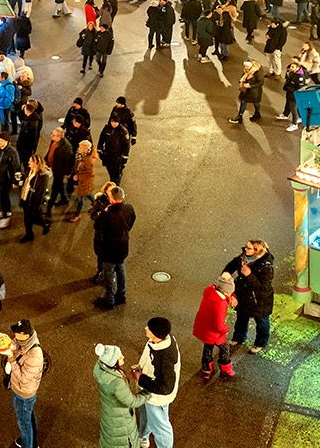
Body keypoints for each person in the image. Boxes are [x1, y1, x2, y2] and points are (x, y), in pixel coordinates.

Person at [135, 315, 180, 447]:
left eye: (148, 328)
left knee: (161, 427)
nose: (145, 328)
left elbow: (166, 387)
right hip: (149, 392)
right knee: (147, 416)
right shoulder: (160, 340)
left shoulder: (165, 358)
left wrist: (141, 378)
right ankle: (143, 437)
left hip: (156, 398)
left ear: (156, 334)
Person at [225, 239, 276, 354]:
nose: (245, 249)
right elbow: (231, 265)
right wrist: (226, 276)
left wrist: (249, 275)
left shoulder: (266, 267)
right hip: (243, 295)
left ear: (257, 251)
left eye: (248, 248)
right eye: (246, 247)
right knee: (241, 319)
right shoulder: (244, 257)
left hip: (259, 301)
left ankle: (260, 343)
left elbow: (263, 288)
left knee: (262, 323)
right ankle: (238, 338)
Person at [93, 343, 147, 448]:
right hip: (121, 421)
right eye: (120, 357)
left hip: (110, 416)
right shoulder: (117, 383)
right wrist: (148, 392)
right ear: (114, 363)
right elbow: (133, 402)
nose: (123, 357)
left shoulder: (101, 367)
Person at [2, 319, 46, 448]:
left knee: (23, 422)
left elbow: (23, 378)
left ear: (25, 335)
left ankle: (28, 444)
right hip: (24, 391)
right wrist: (5, 342)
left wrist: (11, 359)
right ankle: (32, 442)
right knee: (28, 417)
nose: (14, 337)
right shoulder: (28, 339)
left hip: (23, 393)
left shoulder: (35, 356)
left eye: (17, 334)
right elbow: (15, 343)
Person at [92, 184, 135, 308]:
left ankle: (109, 299)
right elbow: (131, 222)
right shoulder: (129, 208)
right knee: (120, 268)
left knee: (109, 272)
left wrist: (103, 213)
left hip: (110, 249)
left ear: (112, 199)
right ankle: (121, 295)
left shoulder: (108, 215)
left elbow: (97, 226)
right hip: (123, 246)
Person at [194, 272, 237, 379]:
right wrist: (225, 329)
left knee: (208, 347)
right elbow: (219, 325)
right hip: (214, 332)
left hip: (203, 327)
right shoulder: (220, 304)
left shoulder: (210, 291)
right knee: (224, 348)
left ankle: (206, 368)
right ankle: (225, 368)